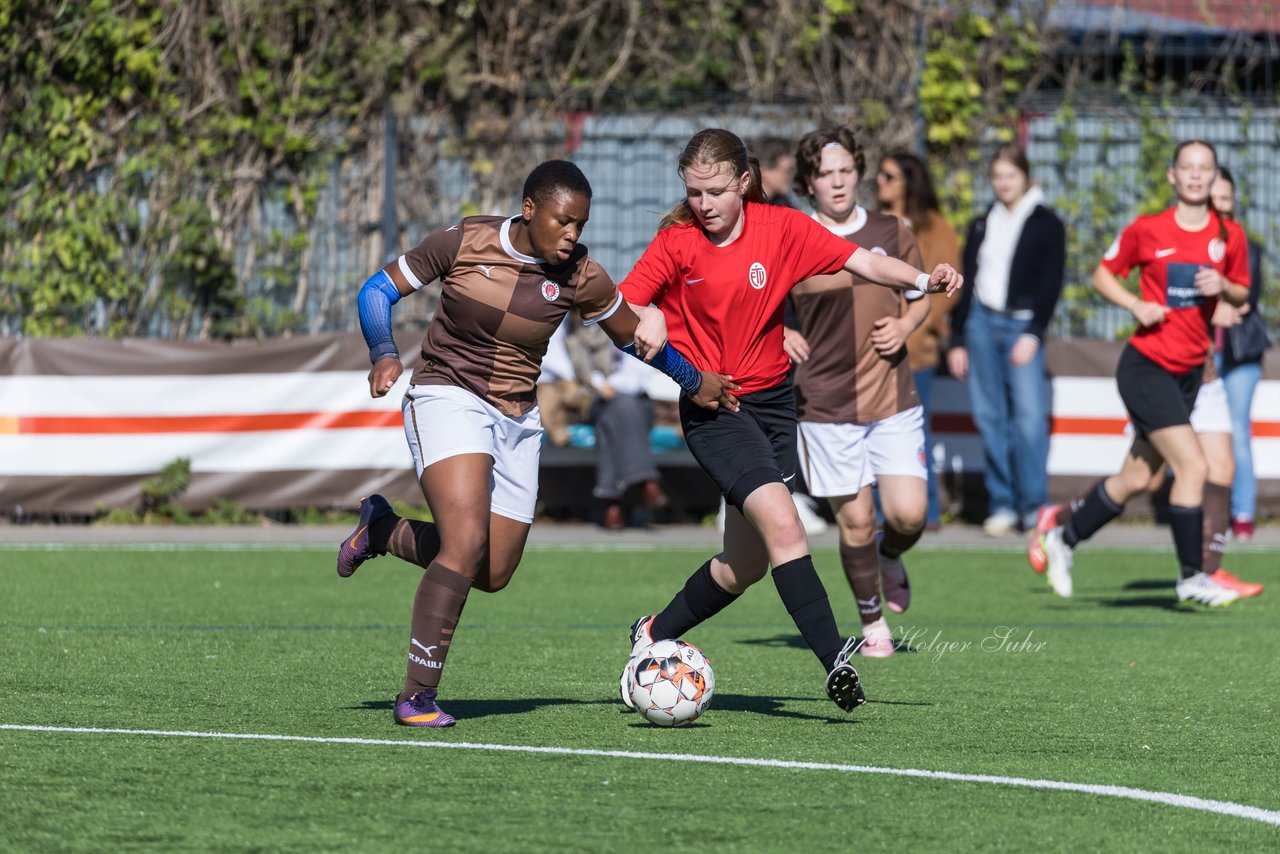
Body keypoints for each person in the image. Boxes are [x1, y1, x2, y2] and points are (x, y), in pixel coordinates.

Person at [336, 160, 736, 727]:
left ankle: (381, 530)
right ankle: (417, 696)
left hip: (517, 418)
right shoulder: (465, 240)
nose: (573, 235)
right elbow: (377, 291)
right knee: (467, 541)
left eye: (581, 224)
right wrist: (383, 352)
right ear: (529, 210)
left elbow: (631, 341)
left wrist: (695, 381)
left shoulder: (582, 275)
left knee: (493, 571)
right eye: (563, 221)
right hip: (447, 395)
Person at [618, 128, 962, 712]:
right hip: (714, 407)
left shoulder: (782, 229)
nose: (704, 205)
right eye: (694, 192)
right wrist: (648, 323)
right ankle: (837, 664)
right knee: (786, 528)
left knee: (745, 564)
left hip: (776, 405)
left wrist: (922, 281)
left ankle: (653, 631)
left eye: (717, 192)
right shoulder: (677, 242)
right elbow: (621, 314)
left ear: (745, 183)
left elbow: (865, 263)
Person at [1039, 140, 1251, 607]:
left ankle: (1063, 538)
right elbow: (1101, 275)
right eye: (1187, 168)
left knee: (1137, 478)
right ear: (1172, 175)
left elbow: (1242, 295)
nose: (1196, 176)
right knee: (1194, 465)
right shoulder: (1146, 229)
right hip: (1145, 367)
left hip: (1190, 373)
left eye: (1205, 169)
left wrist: (1225, 287)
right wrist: (1135, 303)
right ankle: (1192, 577)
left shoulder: (1229, 236)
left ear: (1215, 177)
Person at [784, 127, 931, 658]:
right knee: (856, 520)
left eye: (846, 170)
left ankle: (890, 557)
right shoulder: (794, 235)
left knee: (909, 515)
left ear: (859, 172)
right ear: (809, 182)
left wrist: (907, 327)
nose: (838, 181)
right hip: (825, 403)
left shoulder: (893, 229)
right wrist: (782, 329)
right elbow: (757, 299)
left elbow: (920, 297)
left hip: (891, 395)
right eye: (825, 173)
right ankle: (872, 626)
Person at [948, 145, 1066, 536]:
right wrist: (959, 338)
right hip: (981, 323)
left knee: (1029, 419)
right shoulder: (983, 223)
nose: (1003, 183)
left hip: (1022, 326)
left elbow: (1051, 284)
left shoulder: (1047, 222)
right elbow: (967, 282)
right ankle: (1002, 504)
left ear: (1026, 176)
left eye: (1010, 175)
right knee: (988, 416)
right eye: (997, 176)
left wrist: (1034, 332)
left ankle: (1033, 505)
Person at [877, 150, 962, 530]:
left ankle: (925, 513)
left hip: (917, 349)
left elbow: (947, 289)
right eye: (879, 175)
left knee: (915, 431)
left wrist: (917, 324)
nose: (880, 182)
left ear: (909, 182)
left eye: (889, 176)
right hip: (873, 348)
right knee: (874, 429)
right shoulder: (871, 224)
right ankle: (880, 512)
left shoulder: (935, 228)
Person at [1210, 167, 1269, 543]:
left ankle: (1242, 512)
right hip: (1198, 350)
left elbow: (1245, 297)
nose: (1219, 206)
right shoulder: (1186, 240)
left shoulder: (1245, 244)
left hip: (1239, 352)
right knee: (1201, 436)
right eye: (1213, 199)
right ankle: (1206, 514)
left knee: (1237, 430)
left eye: (1225, 199)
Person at [751, 136, 801, 209]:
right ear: (765, 172)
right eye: (787, 171)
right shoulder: (743, 210)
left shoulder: (786, 207)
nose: (790, 177)